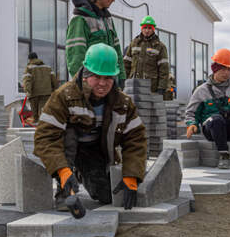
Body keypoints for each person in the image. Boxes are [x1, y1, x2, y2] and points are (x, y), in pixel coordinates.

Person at [34, 44, 147, 210]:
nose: (102, 83)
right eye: (97, 76)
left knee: (107, 196)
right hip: (66, 149)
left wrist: (132, 175)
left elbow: (136, 139)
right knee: (69, 136)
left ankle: (82, 173)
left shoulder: (122, 103)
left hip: (92, 150)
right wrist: (63, 171)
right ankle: (64, 190)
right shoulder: (64, 96)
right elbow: (45, 137)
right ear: (86, 74)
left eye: (108, 77)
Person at [66, 0, 126, 87]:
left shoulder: (108, 19)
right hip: (92, 84)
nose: (113, 0)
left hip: (108, 82)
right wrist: (82, 84)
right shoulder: (80, 19)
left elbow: (116, 50)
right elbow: (75, 56)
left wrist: (121, 77)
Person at [123, 15, 170, 95]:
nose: (147, 30)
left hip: (151, 88)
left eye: (149, 28)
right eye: (145, 28)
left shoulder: (160, 46)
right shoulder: (134, 43)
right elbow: (126, 64)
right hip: (133, 86)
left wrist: (161, 88)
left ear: (153, 29)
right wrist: (123, 81)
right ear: (142, 29)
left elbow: (164, 70)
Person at [22, 52, 58, 123]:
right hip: (46, 94)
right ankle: (43, 129)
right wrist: (54, 90)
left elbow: (27, 81)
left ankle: (37, 131)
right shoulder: (48, 68)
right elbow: (54, 80)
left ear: (30, 59)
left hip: (34, 95)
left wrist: (27, 91)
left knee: (35, 116)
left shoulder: (29, 68)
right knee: (43, 113)